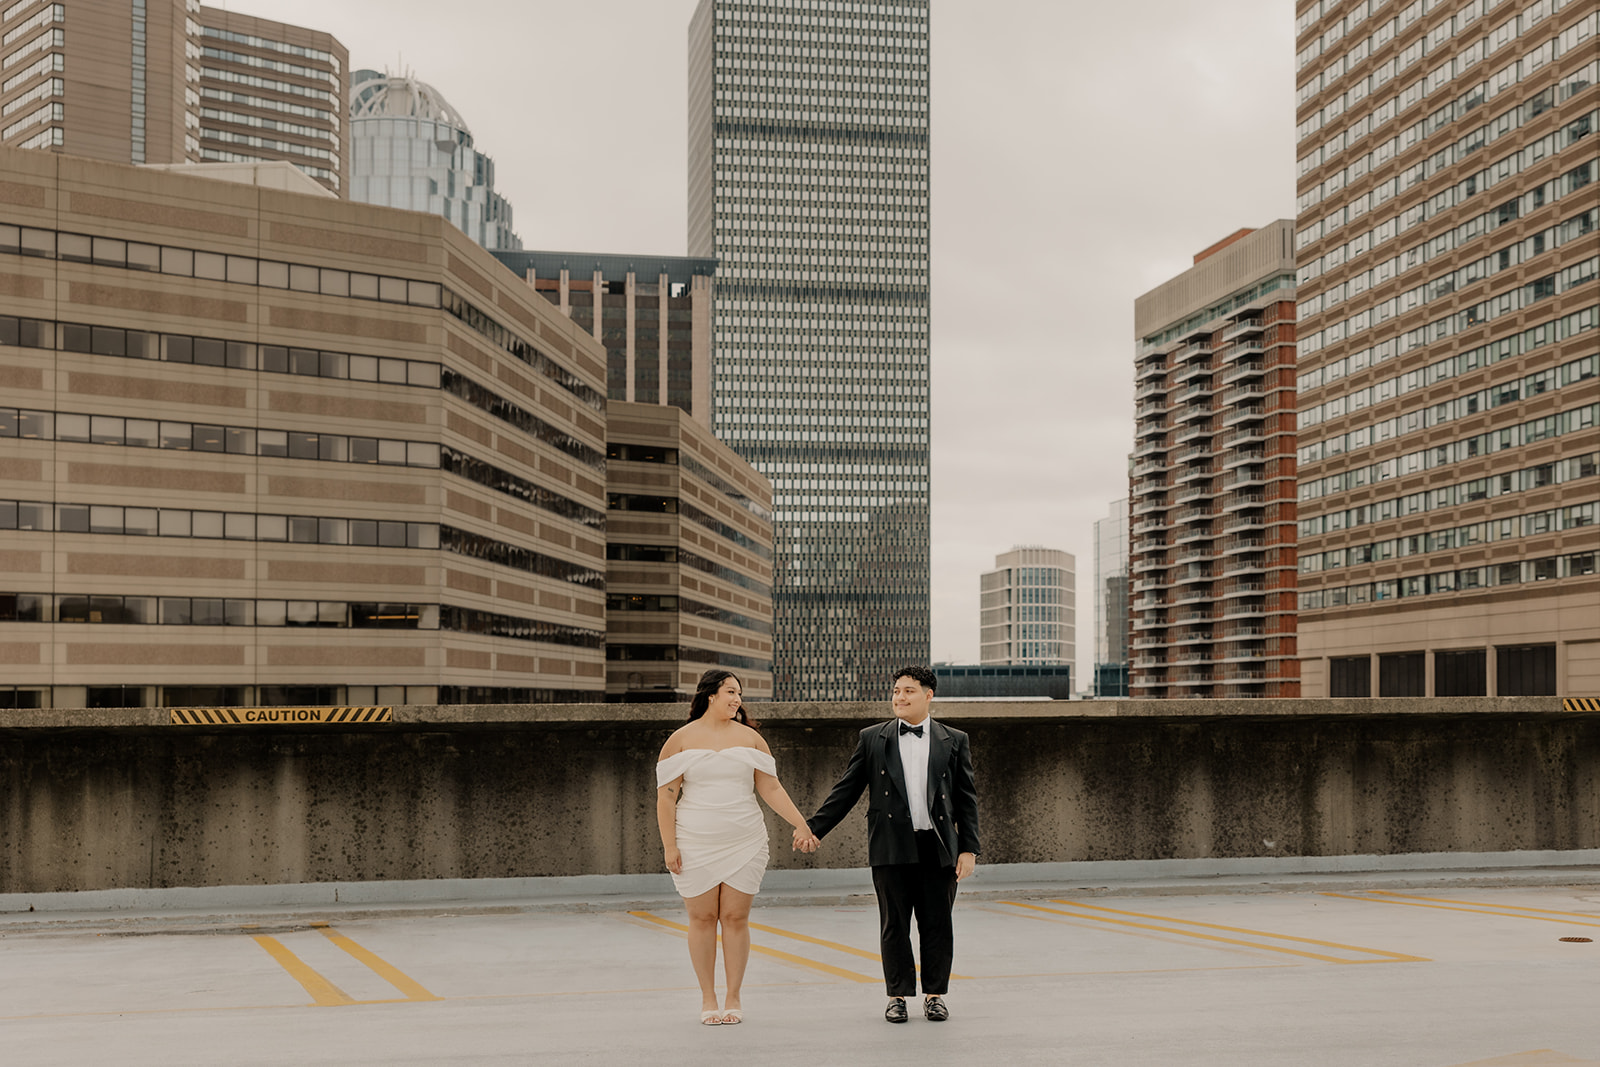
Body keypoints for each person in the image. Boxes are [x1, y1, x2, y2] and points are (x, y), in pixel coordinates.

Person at [799, 665, 980, 1024]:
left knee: (937, 924)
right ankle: (896, 996)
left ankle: (934, 995)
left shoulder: (954, 739)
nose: (899, 697)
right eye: (896, 690)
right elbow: (846, 790)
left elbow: (966, 798)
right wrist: (814, 828)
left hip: (938, 844)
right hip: (890, 844)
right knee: (893, 923)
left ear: (929, 695)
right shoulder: (873, 738)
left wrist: (969, 848)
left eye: (909, 691)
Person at [656, 668, 819, 1026]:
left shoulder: (751, 740)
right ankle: (708, 997)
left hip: (744, 840)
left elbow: (771, 788)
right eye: (731, 692)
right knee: (701, 918)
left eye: (740, 694)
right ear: (710, 695)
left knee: (734, 917)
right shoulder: (679, 740)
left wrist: (801, 822)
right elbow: (666, 798)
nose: (737, 700)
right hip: (694, 840)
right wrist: (670, 846)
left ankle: (733, 996)